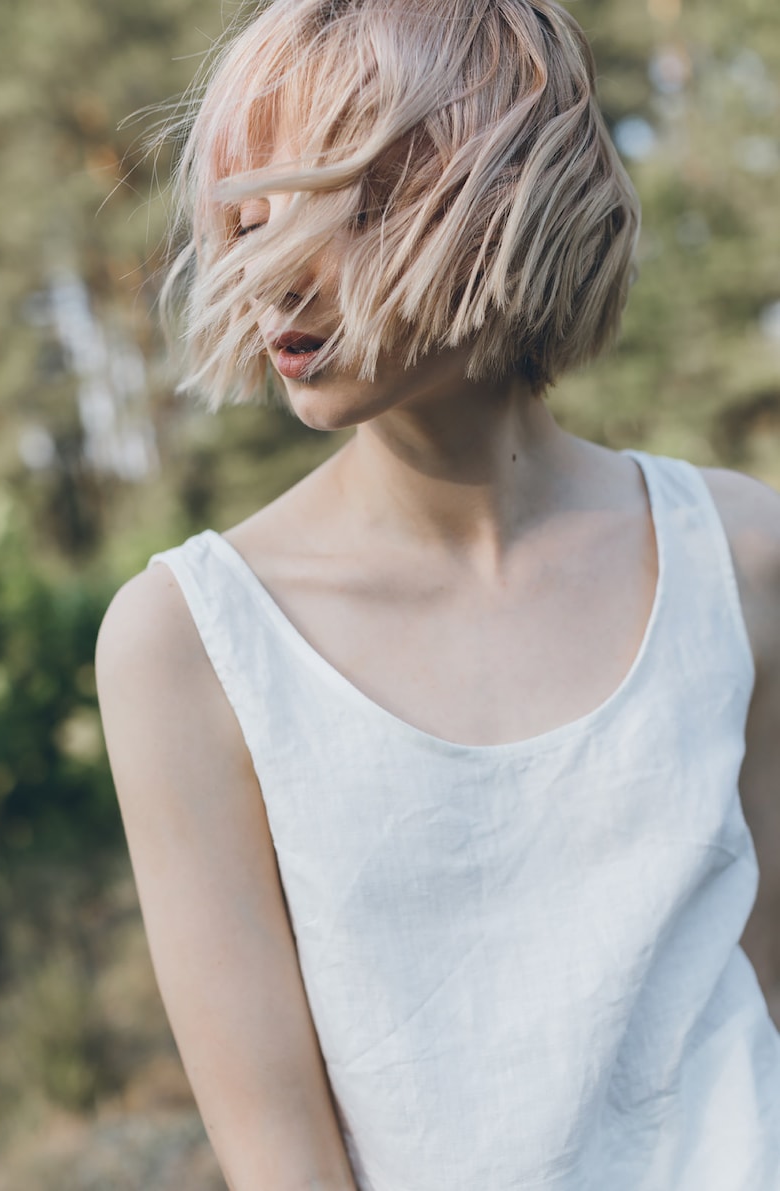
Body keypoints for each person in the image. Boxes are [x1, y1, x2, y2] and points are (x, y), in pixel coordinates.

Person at [95, 1, 780, 1187]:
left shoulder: (742, 555)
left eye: (322, 206)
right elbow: (281, 1162)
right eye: (242, 215)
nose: (262, 269)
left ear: (499, 190)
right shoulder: (190, 643)